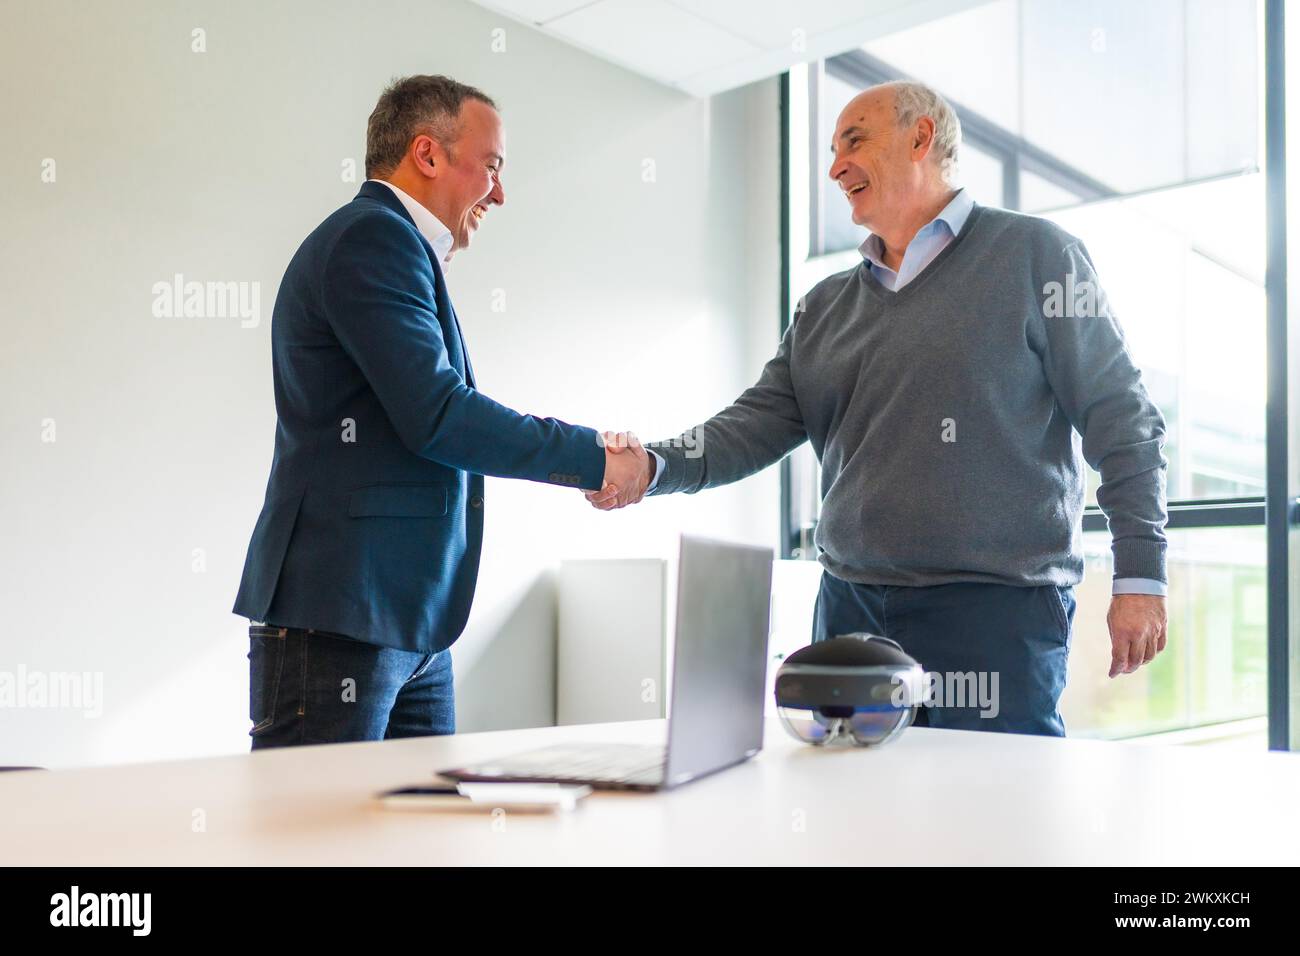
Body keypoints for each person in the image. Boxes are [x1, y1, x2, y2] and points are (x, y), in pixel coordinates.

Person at [591, 80, 1169, 736]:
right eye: (833, 150)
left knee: (996, 821)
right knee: (849, 819)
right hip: (848, 609)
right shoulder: (824, 305)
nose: (835, 167)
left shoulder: (1039, 257)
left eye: (854, 142)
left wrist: (1141, 575)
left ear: (921, 137)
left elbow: (1122, 418)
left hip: (996, 616)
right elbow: (754, 424)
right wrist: (652, 466)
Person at [234, 75, 648, 747]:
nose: (501, 192)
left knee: (419, 835)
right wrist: (592, 458)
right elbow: (440, 415)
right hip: (345, 615)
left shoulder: (395, 248)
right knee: (320, 843)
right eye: (491, 167)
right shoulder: (374, 238)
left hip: (404, 621)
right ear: (427, 155)